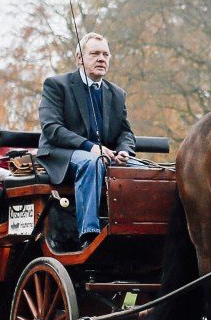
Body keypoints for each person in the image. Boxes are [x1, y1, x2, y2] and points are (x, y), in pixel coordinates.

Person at [37, 31, 137, 246]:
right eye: (95, 54)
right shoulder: (57, 85)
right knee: (92, 162)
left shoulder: (116, 93)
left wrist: (124, 151)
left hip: (104, 155)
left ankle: (135, 232)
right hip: (61, 154)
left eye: (106, 54)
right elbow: (51, 128)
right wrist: (89, 147)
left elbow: (125, 133)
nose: (102, 59)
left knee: (148, 171)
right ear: (79, 58)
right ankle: (89, 234)